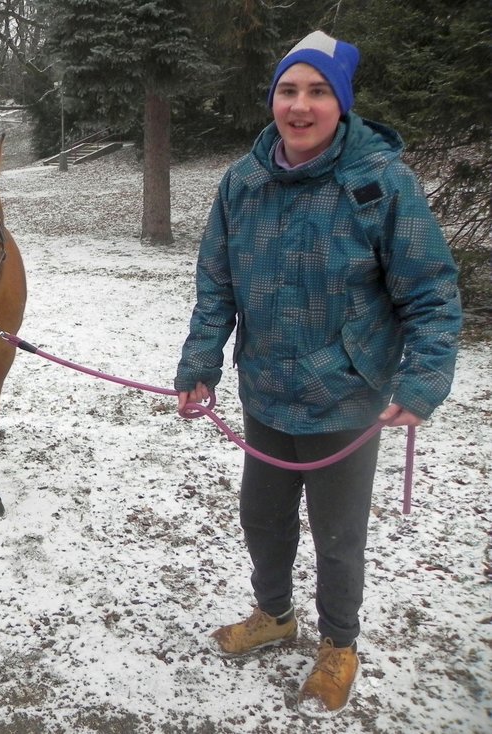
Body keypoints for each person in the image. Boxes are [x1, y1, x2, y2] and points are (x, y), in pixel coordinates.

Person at [174, 31, 461, 718]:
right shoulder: (242, 183)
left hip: (347, 395)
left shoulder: (381, 182)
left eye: (317, 91)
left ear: (342, 102)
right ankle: (274, 615)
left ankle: (340, 643)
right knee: (262, 519)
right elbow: (217, 284)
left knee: (338, 537)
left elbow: (430, 292)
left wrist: (421, 384)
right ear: (273, 98)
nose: (300, 106)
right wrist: (200, 363)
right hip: (267, 389)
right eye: (288, 90)